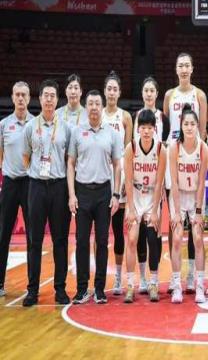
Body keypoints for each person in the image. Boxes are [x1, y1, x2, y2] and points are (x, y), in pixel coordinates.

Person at [68, 90, 122, 304]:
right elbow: (70, 163)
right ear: (86, 106)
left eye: (97, 104)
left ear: (102, 107)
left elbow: (117, 165)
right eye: (90, 103)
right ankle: (82, 289)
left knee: (102, 241)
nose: (93, 107)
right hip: (82, 192)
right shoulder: (77, 132)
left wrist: (116, 194)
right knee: (81, 241)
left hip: (103, 193)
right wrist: (72, 194)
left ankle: (99, 289)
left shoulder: (112, 133)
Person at [22, 79, 73, 306]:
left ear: (57, 99)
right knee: (34, 240)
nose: (49, 99)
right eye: (46, 95)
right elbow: (26, 156)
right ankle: (32, 290)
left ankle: (60, 289)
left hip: (59, 187)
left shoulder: (66, 128)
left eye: (53, 96)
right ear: (40, 98)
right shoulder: (30, 126)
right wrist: (36, 175)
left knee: (60, 240)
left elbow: (69, 158)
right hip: (36, 186)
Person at [163, 52, 207, 294]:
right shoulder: (169, 95)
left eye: (187, 65)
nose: (183, 69)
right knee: (175, 225)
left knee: (195, 229)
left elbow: (202, 130)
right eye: (180, 65)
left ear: (192, 68)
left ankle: (193, 275)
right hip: (175, 156)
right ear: (176, 69)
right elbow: (167, 125)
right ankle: (175, 278)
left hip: (193, 156)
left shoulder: (199, 95)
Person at [123, 109, 167, 303]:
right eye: (143, 128)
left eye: (150, 128)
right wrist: (131, 209)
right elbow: (128, 181)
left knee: (152, 238)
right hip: (135, 195)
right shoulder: (131, 148)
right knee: (132, 238)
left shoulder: (160, 149)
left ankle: (154, 283)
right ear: (138, 129)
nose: (147, 131)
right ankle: (131, 284)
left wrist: (155, 210)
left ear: (154, 129)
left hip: (152, 197)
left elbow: (159, 183)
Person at [168, 105, 208, 303]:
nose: (190, 127)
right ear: (181, 126)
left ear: (197, 126)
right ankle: (177, 286)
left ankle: (199, 285)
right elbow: (174, 182)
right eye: (186, 124)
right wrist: (176, 212)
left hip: (195, 197)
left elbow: (201, 182)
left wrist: (199, 211)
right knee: (176, 238)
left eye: (193, 124)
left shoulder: (203, 148)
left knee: (198, 238)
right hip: (179, 195)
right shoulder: (174, 148)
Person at [133, 76, 169, 294]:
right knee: (138, 235)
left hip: (157, 178)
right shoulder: (136, 117)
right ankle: (142, 278)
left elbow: (168, 143)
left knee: (153, 233)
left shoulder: (163, 118)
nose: (148, 94)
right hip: (139, 181)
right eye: (145, 90)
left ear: (157, 94)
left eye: (152, 90)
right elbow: (132, 149)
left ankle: (154, 278)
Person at [0, 81, 34, 297]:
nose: (20, 98)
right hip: (10, 183)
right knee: (3, 233)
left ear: (29, 98)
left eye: (24, 95)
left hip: (30, 184)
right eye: (17, 94)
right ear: (12, 97)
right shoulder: (3, 125)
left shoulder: (36, 124)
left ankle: (32, 286)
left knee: (33, 235)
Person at [102, 71, 133, 295]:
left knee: (119, 231)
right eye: (109, 89)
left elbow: (128, 152)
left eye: (115, 89)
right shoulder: (97, 114)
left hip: (119, 175)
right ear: (105, 91)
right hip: (101, 175)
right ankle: (99, 278)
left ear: (119, 93)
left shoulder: (125, 117)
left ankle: (119, 277)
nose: (112, 92)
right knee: (101, 233)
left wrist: (125, 179)